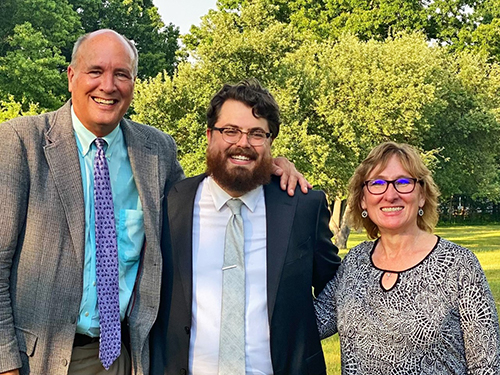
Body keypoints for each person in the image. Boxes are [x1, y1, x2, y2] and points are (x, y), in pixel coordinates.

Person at [0, 30, 307, 375]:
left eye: (121, 74)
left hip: (123, 358)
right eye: (95, 71)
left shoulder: (156, 151)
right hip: (35, 359)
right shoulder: (20, 143)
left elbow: (206, 197)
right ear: (71, 76)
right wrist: (6, 363)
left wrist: (267, 165)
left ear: (133, 83)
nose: (108, 85)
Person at [150, 79, 342, 375]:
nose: (243, 143)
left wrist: (301, 334)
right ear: (209, 135)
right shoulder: (169, 205)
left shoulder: (302, 207)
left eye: (256, 134)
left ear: (269, 142)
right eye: (230, 131)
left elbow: (336, 285)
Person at [315, 141, 500, 374]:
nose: (390, 195)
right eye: (378, 183)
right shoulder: (355, 263)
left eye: (403, 182)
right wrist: (278, 168)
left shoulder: (459, 265)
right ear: (363, 199)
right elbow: (311, 324)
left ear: (421, 195)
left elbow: (487, 366)